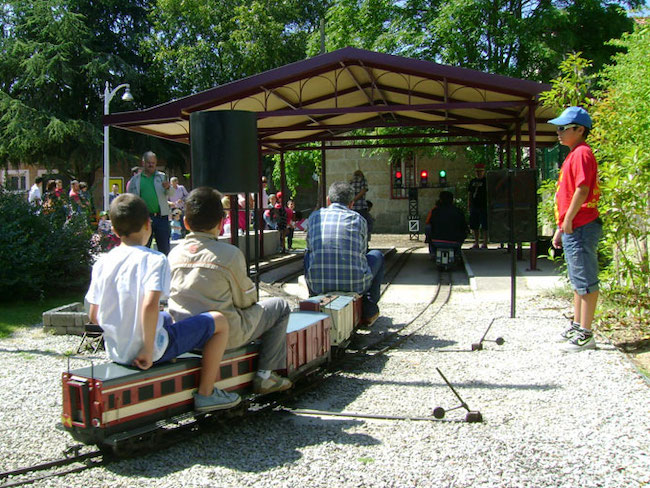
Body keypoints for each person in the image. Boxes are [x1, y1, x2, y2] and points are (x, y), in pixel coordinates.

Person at [85, 194, 240, 412]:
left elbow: (94, 314)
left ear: (114, 230)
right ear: (149, 224)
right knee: (220, 322)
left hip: (117, 351)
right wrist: (148, 350)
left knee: (168, 317)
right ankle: (207, 393)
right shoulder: (154, 259)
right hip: (150, 351)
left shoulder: (102, 262)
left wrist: (123, 326)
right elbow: (149, 305)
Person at [168, 187, 293, 395]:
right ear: (221, 222)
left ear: (186, 223)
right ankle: (265, 376)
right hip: (224, 335)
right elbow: (245, 301)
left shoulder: (173, 255)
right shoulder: (230, 254)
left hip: (185, 334)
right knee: (280, 306)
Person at [549, 106, 602, 353]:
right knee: (578, 280)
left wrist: (568, 220)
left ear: (580, 130)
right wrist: (561, 227)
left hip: (581, 225)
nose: (558, 132)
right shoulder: (573, 154)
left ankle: (586, 334)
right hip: (573, 227)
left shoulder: (581, 154)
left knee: (586, 280)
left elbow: (581, 189)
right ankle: (578, 325)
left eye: (563, 128)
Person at [305, 181, 385, 325]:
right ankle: (369, 307)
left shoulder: (314, 217)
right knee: (377, 255)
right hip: (355, 285)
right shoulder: (359, 219)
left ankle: (313, 297)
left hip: (318, 284)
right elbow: (362, 252)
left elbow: (310, 247)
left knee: (307, 253)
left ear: (328, 200)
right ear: (351, 204)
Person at [127, 151, 173, 255]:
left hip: (161, 218)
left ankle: (165, 270)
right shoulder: (136, 180)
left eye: (153, 163)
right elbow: (130, 199)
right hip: (144, 219)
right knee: (143, 250)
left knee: (164, 249)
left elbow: (171, 193)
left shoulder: (162, 177)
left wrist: (168, 187)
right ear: (143, 163)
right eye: (149, 162)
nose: (151, 165)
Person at [468, 163, 488, 249]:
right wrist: (469, 204)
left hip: (484, 206)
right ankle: (476, 242)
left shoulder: (486, 181)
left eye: (480, 171)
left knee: (484, 225)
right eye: (477, 171)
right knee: (474, 225)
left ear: (483, 172)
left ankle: (485, 242)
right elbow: (469, 193)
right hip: (474, 206)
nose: (478, 173)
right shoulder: (472, 182)